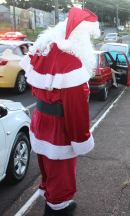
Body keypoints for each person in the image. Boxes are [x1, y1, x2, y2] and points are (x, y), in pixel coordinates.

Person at [19, 7, 99, 215]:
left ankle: (49, 196)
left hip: (40, 119)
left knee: (46, 166)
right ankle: (57, 207)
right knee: (61, 172)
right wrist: (81, 138)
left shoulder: (44, 50)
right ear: (80, 36)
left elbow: (34, 83)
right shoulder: (72, 63)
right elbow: (76, 111)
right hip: (59, 127)